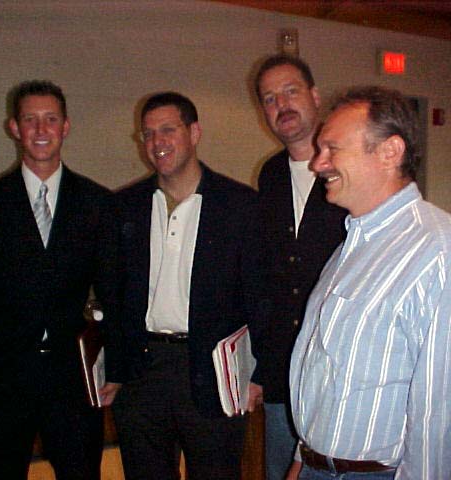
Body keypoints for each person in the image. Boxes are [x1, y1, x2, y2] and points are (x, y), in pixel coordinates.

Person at [290, 86, 451, 479]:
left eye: (332, 148)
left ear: (389, 152)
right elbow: (325, 372)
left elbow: (439, 413)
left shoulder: (436, 252)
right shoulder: (350, 246)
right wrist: (301, 460)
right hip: (316, 466)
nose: (318, 164)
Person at [99, 92, 261, 480]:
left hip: (211, 368)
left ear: (194, 133)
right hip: (142, 370)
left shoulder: (239, 205)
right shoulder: (125, 206)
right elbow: (113, 295)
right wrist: (115, 369)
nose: (158, 142)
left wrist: (261, 374)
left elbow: (259, 296)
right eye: (148, 134)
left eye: (168, 130)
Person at [0, 80, 109, 480]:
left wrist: (112, 368)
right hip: (2, 381)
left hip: (73, 381)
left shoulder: (97, 202)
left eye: (51, 119)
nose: (41, 129)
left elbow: (113, 292)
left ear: (66, 126)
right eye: (30, 120)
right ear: (14, 127)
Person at [251, 55, 347, 479]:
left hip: (339, 368)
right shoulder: (270, 174)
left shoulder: (346, 166)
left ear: (314, 96)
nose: (282, 105)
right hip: (283, 374)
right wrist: (258, 369)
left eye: (291, 91)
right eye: (270, 98)